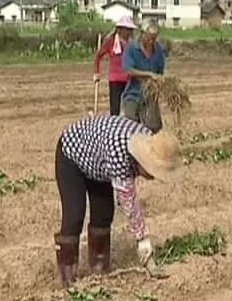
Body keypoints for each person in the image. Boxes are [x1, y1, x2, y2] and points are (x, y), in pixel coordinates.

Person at [54, 115, 183, 286]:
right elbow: (129, 203)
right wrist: (143, 241)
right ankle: (67, 279)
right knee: (74, 216)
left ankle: (99, 272)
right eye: (153, 171)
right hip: (72, 155)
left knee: (104, 214)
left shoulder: (151, 142)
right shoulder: (119, 154)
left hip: (98, 161)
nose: (153, 177)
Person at [121, 20, 166, 132]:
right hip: (133, 94)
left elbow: (160, 72)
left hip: (150, 94)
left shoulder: (158, 51)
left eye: (154, 38)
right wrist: (149, 75)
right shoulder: (132, 48)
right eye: (149, 38)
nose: (152, 41)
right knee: (130, 127)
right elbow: (128, 69)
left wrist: (159, 81)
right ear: (142, 34)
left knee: (154, 128)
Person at [93, 15, 137, 115]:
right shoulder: (110, 42)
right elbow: (98, 56)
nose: (129, 32)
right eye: (127, 29)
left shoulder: (133, 44)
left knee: (131, 110)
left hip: (130, 80)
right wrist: (96, 73)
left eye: (130, 29)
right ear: (120, 29)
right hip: (115, 80)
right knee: (115, 110)